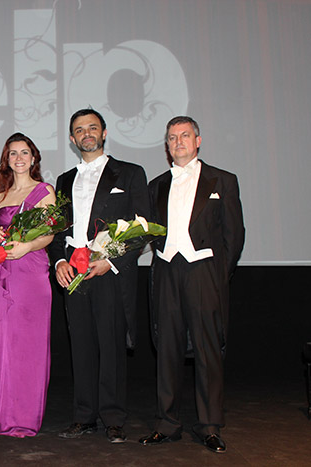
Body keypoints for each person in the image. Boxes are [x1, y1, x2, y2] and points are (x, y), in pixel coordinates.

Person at [139, 116, 244, 453]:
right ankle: (166, 423)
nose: (179, 142)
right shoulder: (156, 185)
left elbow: (234, 235)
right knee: (167, 349)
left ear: (198, 141)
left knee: (207, 351)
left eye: (185, 135)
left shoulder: (223, 180)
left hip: (204, 273)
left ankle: (209, 425)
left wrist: (217, 274)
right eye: (172, 137)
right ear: (166, 145)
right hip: (166, 272)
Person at [48, 109, 149, 443]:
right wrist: (58, 262)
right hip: (73, 273)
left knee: (111, 347)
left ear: (104, 133)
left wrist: (111, 261)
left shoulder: (130, 173)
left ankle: (113, 418)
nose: (86, 134)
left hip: (109, 273)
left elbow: (142, 228)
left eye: (92, 128)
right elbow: (58, 230)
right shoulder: (64, 180)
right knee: (81, 347)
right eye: (79, 130)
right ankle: (84, 417)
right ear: (72, 138)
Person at [0, 133, 56, 437]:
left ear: (33, 158)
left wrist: (26, 246)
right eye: (13, 153)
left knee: (28, 346)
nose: (19, 158)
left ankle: (23, 417)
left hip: (30, 272)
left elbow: (49, 235)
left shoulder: (45, 191)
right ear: (6, 160)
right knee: (1, 342)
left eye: (24, 153)